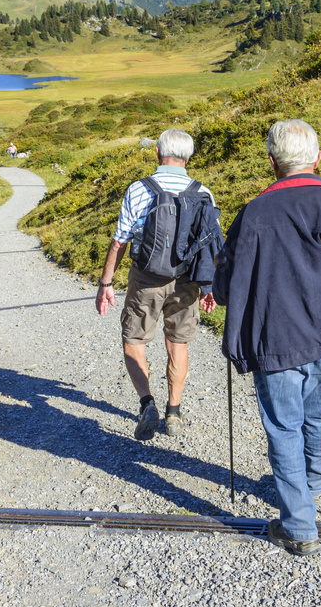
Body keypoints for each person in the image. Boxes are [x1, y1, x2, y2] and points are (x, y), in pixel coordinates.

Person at [213, 119, 321, 556]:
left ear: (272, 162)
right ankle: (315, 481)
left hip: (275, 341)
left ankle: (299, 525)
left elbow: (225, 281)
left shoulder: (255, 212)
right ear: (317, 158)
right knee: (320, 409)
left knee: (283, 427)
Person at [96, 129, 220, 440]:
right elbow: (212, 245)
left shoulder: (139, 189)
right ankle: (174, 411)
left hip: (146, 279)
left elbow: (119, 241)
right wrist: (211, 287)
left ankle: (146, 403)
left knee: (134, 340)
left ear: (157, 153)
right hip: (188, 283)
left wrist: (106, 282)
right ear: (188, 158)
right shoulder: (203, 192)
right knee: (177, 344)